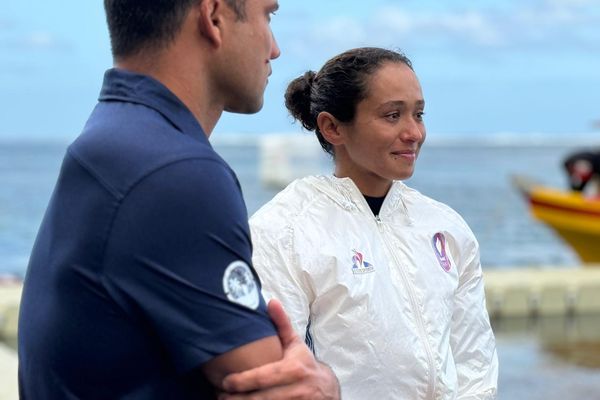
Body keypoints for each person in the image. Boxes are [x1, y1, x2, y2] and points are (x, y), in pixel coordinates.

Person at [17, 1, 339, 399]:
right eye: (267, 16)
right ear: (214, 16)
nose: (274, 48)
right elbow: (289, 391)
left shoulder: (116, 135)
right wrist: (325, 384)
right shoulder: (174, 170)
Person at [250, 47, 499, 399]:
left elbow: (474, 362)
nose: (414, 132)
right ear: (332, 127)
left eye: (419, 114)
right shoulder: (285, 229)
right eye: (392, 115)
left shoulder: (444, 228)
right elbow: (281, 371)